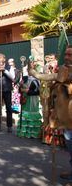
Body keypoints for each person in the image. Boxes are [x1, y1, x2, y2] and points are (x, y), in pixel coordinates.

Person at [29, 46, 72, 184]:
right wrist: (33, 71)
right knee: (71, 150)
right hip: (66, 121)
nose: (66, 57)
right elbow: (45, 77)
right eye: (66, 54)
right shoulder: (62, 72)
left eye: (70, 55)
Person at [0, 53, 15, 132]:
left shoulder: (9, 67)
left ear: (4, 59)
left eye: (1, 58)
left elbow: (13, 77)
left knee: (8, 108)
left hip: (7, 90)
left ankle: (9, 126)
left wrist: (5, 71)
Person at [16, 68, 41, 138]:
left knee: (31, 115)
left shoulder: (37, 79)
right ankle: (24, 132)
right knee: (25, 114)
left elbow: (38, 92)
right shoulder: (24, 78)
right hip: (25, 100)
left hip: (33, 101)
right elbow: (19, 89)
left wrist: (27, 91)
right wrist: (21, 88)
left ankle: (32, 133)